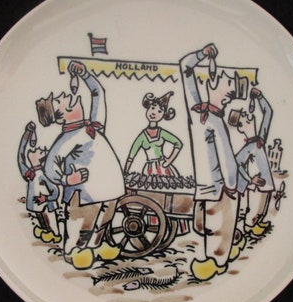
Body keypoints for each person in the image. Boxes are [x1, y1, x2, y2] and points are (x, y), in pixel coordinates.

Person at [36, 61, 125, 269]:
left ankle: (96, 246)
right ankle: (73, 251)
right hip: (84, 192)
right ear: (62, 114)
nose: (65, 95)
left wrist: (85, 74)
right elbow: (49, 167)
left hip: (108, 188)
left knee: (105, 217)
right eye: (59, 100)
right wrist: (67, 179)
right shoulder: (66, 139)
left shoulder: (93, 124)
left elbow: (98, 92)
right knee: (81, 221)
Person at [179, 43, 244, 281]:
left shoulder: (211, 116)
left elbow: (226, 157)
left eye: (226, 82)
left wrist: (231, 183)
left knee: (219, 224)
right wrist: (201, 54)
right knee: (217, 223)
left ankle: (216, 260)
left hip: (219, 184)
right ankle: (215, 260)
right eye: (225, 79)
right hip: (217, 184)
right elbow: (186, 67)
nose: (220, 79)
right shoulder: (200, 111)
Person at [229, 87, 275, 236]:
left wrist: (260, 97)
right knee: (254, 206)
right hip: (254, 185)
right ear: (240, 127)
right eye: (243, 116)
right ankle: (250, 225)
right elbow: (237, 164)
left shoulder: (260, 139)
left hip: (264, 181)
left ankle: (257, 222)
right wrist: (250, 179)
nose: (247, 115)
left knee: (264, 201)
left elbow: (268, 113)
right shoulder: (247, 148)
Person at [17, 121, 62, 243]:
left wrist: (46, 198)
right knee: (40, 216)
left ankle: (55, 234)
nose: (37, 148)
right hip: (37, 205)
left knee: (50, 218)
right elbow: (21, 154)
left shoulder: (44, 175)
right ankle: (45, 231)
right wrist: (27, 133)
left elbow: (55, 191)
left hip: (47, 204)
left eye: (40, 151)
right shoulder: (29, 172)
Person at [124, 91, 183, 177]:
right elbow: (131, 156)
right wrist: (125, 173)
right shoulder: (142, 136)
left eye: (159, 111)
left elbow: (178, 143)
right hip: (149, 169)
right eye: (152, 108)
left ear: (164, 115)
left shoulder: (162, 133)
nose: (154, 113)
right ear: (148, 108)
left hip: (164, 169)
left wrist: (169, 161)